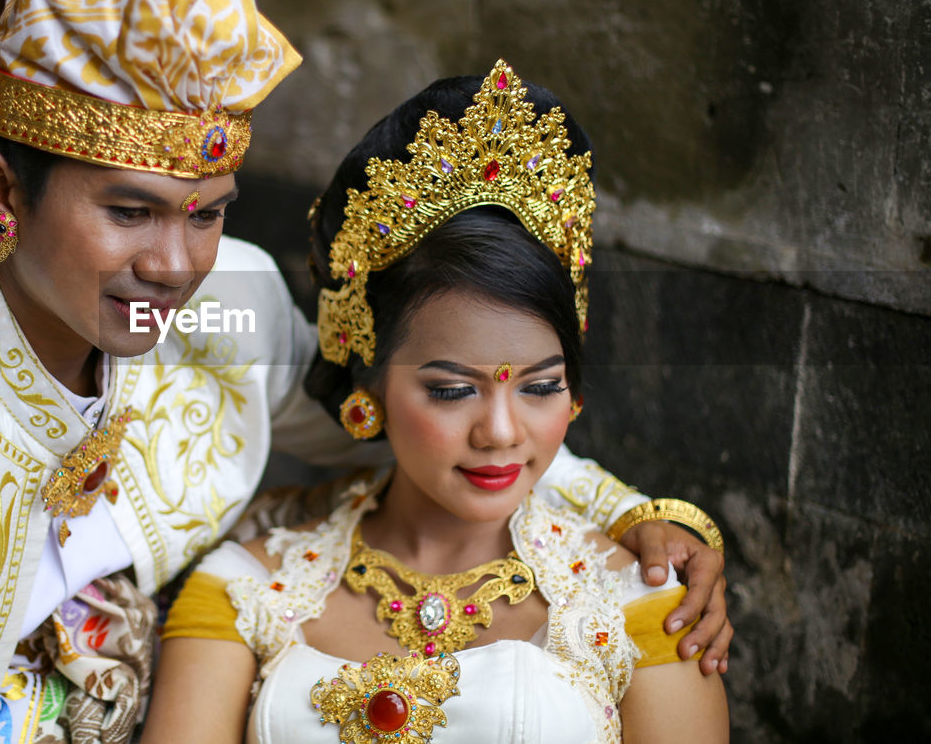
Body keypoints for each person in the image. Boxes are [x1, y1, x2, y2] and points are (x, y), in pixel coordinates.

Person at [0, 0, 728, 744]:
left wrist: (644, 519)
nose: (175, 264)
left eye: (207, 213)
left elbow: (417, 407)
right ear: (1, 191)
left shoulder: (231, 312)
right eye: (131, 211)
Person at [144, 63, 729, 743]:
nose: (502, 432)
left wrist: (645, 514)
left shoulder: (646, 600)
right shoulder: (246, 591)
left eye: (540, 385)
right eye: (452, 389)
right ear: (369, 387)